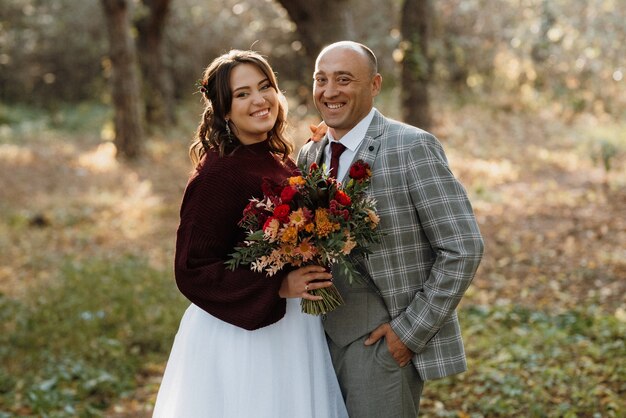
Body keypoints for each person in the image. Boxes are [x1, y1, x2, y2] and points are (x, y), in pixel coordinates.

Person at [152, 50, 348, 418]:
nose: (259, 100)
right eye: (242, 94)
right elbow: (192, 268)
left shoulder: (278, 159)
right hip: (244, 336)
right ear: (224, 110)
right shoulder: (218, 174)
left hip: (294, 329)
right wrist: (276, 286)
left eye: (264, 87)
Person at [297, 41, 485, 417]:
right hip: (312, 344)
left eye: (344, 79)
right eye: (322, 79)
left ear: (375, 84)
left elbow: (463, 247)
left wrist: (408, 333)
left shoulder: (410, 146)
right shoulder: (309, 154)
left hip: (380, 344)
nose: (330, 91)